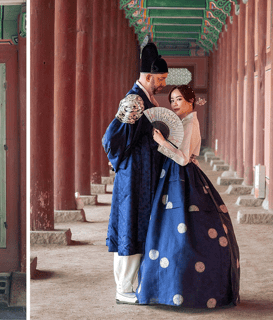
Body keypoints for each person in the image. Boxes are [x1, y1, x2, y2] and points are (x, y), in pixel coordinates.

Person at [136, 85, 240, 308]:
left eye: (179, 99)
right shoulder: (185, 121)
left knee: (181, 232)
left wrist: (162, 142)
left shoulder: (191, 122)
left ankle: (182, 290)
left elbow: (183, 159)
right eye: (172, 100)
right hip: (176, 176)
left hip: (182, 178)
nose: (174, 104)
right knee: (173, 231)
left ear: (191, 101)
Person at [102, 43, 168, 304]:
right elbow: (111, 138)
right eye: (161, 79)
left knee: (139, 227)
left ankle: (132, 285)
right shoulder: (134, 100)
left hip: (143, 174)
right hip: (134, 176)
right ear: (148, 76)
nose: (163, 83)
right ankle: (124, 289)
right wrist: (119, 162)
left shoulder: (146, 97)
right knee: (130, 227)